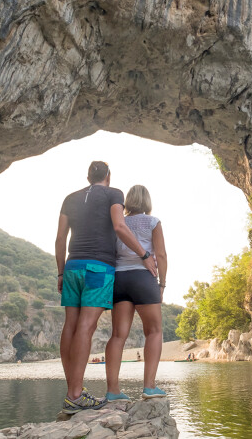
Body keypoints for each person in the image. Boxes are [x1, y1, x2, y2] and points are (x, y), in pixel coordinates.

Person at [55, 162, 157, 414]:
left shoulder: (70, 198)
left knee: (71, 324)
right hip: (98, 267)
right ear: (108, 177)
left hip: (72, 265)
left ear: (88, 176)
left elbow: (60, 238)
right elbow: (120, 226)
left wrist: (60, 271)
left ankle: (73, 393)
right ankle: (75, 395)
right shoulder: (114, 194)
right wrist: (144, 254)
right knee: (86, 326)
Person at [104, 185, 168, 400]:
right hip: (143, 277)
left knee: (117, 335)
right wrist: (162, 284)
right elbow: (161, 254)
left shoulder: (117, 223)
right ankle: (149, 387)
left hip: (120, 279)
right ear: (147, 201)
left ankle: (113, 391)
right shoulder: (153, 222)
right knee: (154, 332)